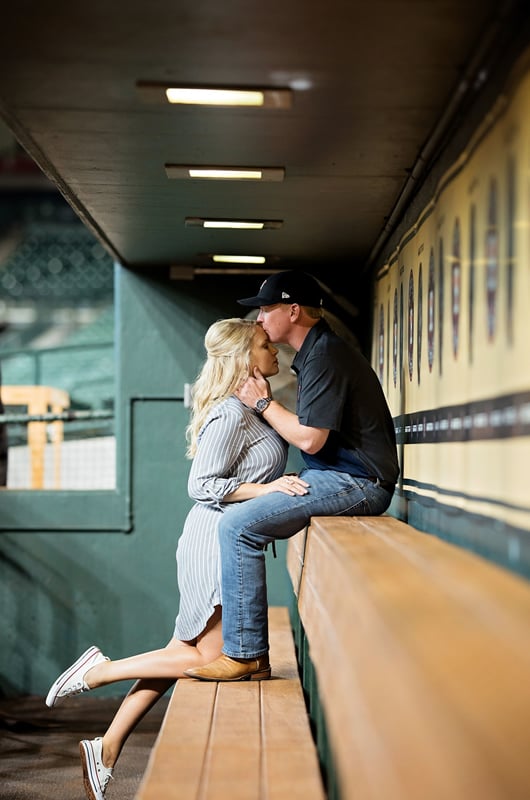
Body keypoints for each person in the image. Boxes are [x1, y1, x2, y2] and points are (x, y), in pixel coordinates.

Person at [44, 318, 309, 800]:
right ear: (245, 358)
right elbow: (201, 486)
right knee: (206, 657)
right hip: (215, 541)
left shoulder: (250, 410)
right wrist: (269, 488)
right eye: (266, 345)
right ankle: (97, 671)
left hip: (223, 539)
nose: (275, 352)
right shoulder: (231, 413)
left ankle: (106, 747)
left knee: (178, 656)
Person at [185, 270, 400, 683]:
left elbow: (311, 440)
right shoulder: (318, 352)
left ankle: (246, 654)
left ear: (294, 310)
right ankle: (248, 653)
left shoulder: (325, 355)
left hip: (360, 483)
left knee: (235, 526)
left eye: (267, 309)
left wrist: (264, 403)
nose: (261, 319)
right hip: (342, 477)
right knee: (239, 523)